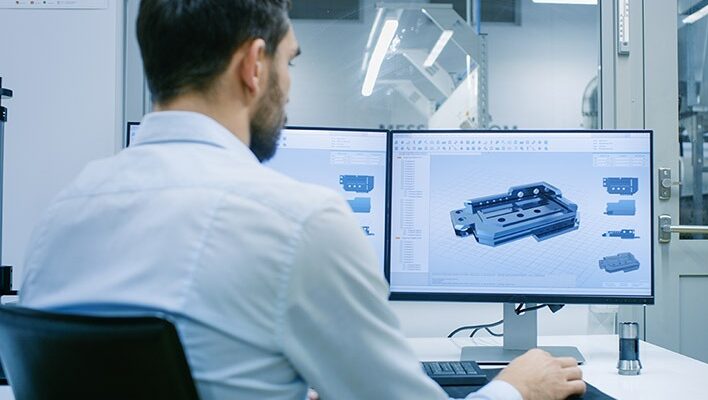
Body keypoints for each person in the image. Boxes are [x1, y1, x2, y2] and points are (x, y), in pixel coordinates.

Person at [18, 1, 586, 399]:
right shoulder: (297, 222)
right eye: (289, 62)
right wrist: (516, 389)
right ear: (253, 64)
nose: (287, 90)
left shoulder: (60, 217)